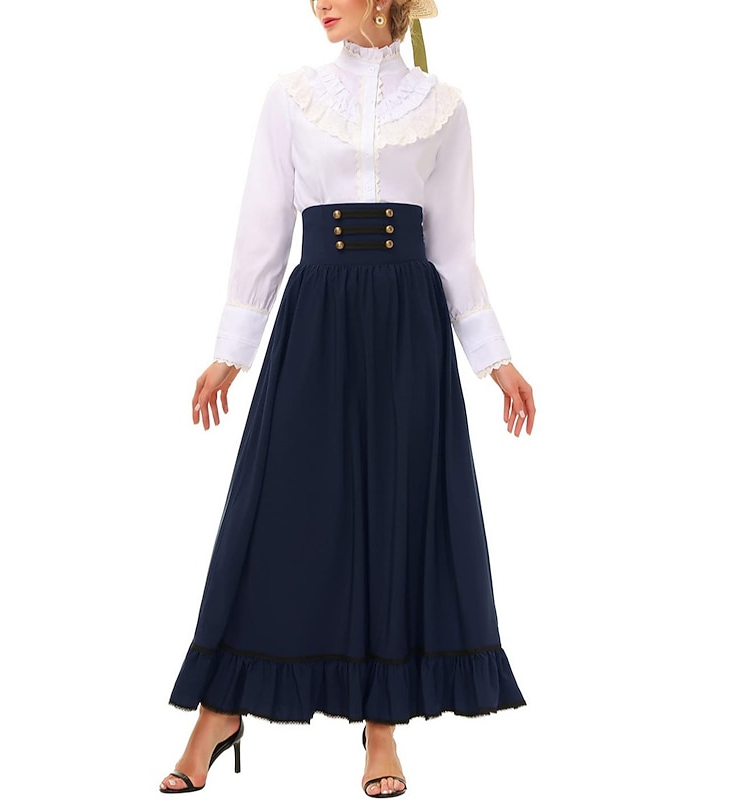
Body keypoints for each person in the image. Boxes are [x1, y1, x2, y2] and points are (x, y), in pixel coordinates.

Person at [159, 0, 535, 795]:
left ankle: (381, 726)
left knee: (393, 512)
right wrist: (231, 350)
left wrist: (496, 360)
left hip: (409, 329)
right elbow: (264, 224)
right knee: (277, 507)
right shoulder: (292, 95)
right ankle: (219, 710)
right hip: (318, 319)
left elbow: (455, 245)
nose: (319, 3)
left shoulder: (442, 106)